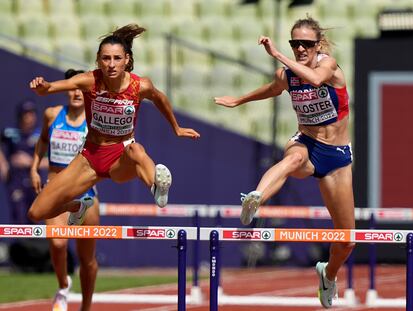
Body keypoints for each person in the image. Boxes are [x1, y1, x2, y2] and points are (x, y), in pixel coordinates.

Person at [214, 17, 354, 309]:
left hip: (337, 157)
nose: (300, 48)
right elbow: (271, 89)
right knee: (293, 157)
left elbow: (315, 79)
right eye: (295, 44)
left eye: (306, 44)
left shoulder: (330, 66)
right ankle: (255, 199)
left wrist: (278, 53)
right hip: (307, 142)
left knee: (346, 241)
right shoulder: (286, 76)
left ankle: (328, 275)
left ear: (319, 45)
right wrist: (239, 100)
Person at [28, 23, 200, 225]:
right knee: (36, 213)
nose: (111, 64)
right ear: (98, 61)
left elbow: (160, 99)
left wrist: (176, 128)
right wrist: (43, 87)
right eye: (106, 58)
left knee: (136, 150)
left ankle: (157, 187)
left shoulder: (140, 85)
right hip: (89, 158)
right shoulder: (89, 80)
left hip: (120, 156)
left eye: (117, 58)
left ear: (127, 60)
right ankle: (78, 206)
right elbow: (52, 87)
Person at [30, 69, 99, 311]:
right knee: (58, 244)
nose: (76, 93)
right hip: (55, 187)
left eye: (81, 89)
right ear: (66, 90)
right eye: (72, 88)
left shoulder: (94, 121)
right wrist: (34, 167)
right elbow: (42, 141)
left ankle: (87, 305)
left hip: (85, 194)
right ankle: (63, 285)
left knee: (87, 259)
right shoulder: (52, 115)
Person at [0, 99, 48, 224]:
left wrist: (29, 162)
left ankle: (32, 243)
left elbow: (50, 160)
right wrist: (3, 165)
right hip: (15, 180)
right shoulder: (9, 133)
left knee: (34, 215)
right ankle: (19, 243)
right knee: (18, 214)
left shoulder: (41, 135)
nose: (28, 117)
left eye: (31, 113)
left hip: (34, 180)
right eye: (25, 113)